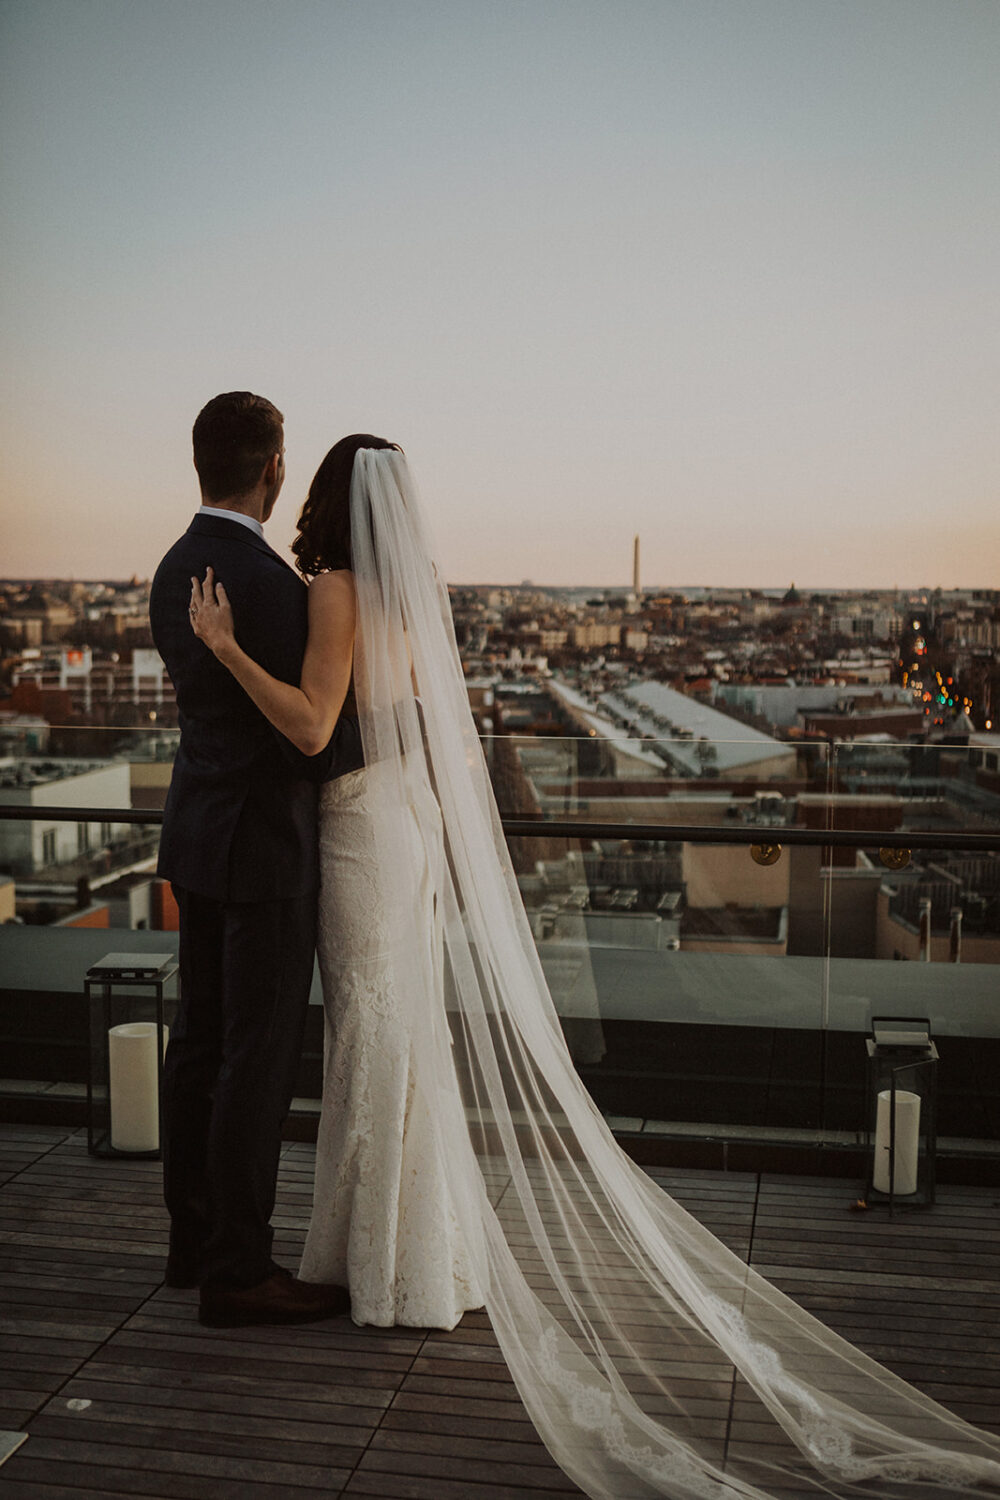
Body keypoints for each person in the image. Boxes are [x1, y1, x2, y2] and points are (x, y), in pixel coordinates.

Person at [188, 438, 1000, 1499]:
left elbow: (308, 726)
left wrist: (225, 649)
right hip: (406, 821)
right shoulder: (409, 595)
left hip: (360, 832)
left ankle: (385, 1264)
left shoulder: (335, 591)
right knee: (398, 1035)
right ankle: (407, 1256)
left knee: (376, 1034)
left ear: (330, 501)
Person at [149, 393, 361, 1329]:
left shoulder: (168, 570)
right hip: (269, 846)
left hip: (196, 835)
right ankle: (240, 1267)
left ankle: (191, 1242)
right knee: (256, 1058)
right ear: (274, 467)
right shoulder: (278, 589)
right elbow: (310, 731)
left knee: (198, 1042)